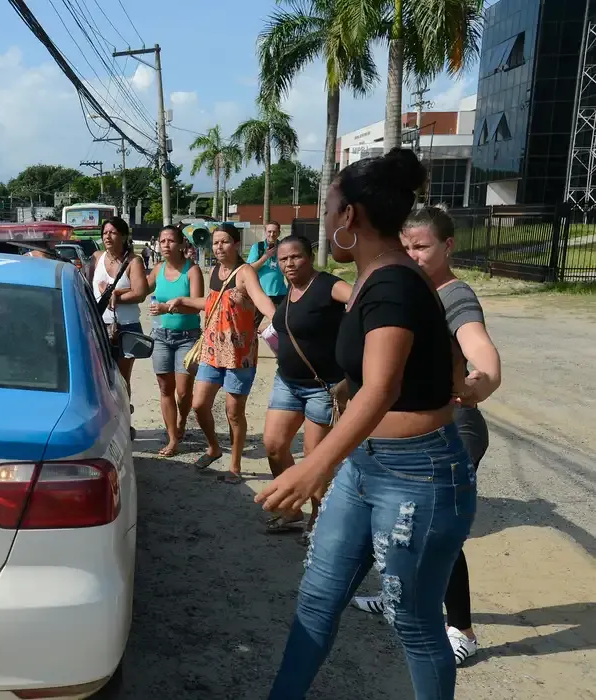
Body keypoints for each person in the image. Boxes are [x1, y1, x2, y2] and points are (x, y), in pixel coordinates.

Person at [255, 148, 476, 700]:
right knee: (317, 599)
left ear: (350, 216)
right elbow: (441, 354)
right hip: (364, 470)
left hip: (418, 477)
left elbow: (381, 388)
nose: (325, 220)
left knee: (415, 624)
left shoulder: (394, 282)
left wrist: (314, 468)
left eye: (329, 209)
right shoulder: (378, 278)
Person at [350, 206, 502, 666]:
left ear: (447, 246)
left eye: (424, 247)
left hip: (454, 429)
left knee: (438, 533)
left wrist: (482, 381)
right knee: (400, 526)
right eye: (408, 245)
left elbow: (481, 349)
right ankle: (400, 598)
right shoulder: (407, 288)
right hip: (409, 429)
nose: (414, 255)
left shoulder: (453, 295)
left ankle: (462, 629)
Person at [167, 223, 277, 483]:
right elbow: (212, 302)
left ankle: (235, 466)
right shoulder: (216, 270)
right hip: (213, 350)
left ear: (236, 244)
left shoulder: (245, 272)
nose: (218, 246)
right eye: (216, 242)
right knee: (199, 404)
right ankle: (214, 447)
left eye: (224, 241)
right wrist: (181, 302)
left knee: (234, 413)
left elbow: (260, 299)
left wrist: (277, 318)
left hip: (240, 354)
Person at [262, 234, 352, 537]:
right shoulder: (291, 290)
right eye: (283, 258)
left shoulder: (328, 285)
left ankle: (319, 518)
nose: (289, 263)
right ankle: (291, 511)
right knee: (274, 446)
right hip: (287, 382)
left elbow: (363, 302)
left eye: (296, 256)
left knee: (315, 459)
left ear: (310, 256)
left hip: (323, 387)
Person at [147, 225, 205, 456]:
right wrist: (117, 292)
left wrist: (167, 308)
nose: (166, 245)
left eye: (171, 240)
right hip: (160, 337)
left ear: (181, 244)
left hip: (187, 338)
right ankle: (172, 438)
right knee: (165, 388)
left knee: (183, 391)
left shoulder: (192, 270)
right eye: (162, 241)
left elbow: (196, 307)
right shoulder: (158, 268)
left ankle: (182, 422)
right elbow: (141, 290)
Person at [89, 217, 147, 394]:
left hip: (127, 327)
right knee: (98, 377)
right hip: (99, 326)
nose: (107, 236)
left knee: (121, 379)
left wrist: (116, 295)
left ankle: (123, 417)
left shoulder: (133, 261)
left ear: (123, 236)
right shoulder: (96, 258)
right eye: (105, 233)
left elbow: (140, 293)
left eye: (112, 232)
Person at [248, 221, 288, 328]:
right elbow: (249, 269)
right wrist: (266, 256)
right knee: (252, 325)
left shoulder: (284, 247)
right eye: (269, 231)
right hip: (260, 293)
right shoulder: (258, 247)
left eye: (275, 232)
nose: (272, 234)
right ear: (265, 232)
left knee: (282, 325)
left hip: (280, 293)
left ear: (279, 233)